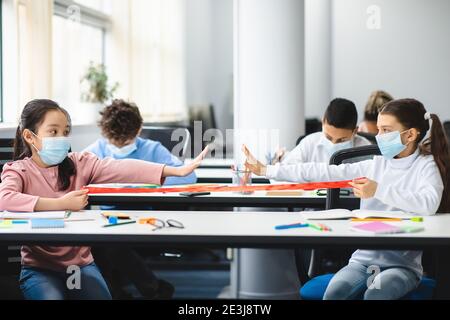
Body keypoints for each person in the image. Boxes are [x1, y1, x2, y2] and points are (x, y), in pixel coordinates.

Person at [242, 98, 449, 300]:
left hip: (402, 266)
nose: (379, 136)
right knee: (334, 294)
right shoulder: (376, 164)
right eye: (378, 129)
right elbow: (324, 171)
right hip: (362, 262)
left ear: (411, 134)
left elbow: (428, 203)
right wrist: (266, 169)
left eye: (386, 130)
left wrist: (377, 190)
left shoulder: (425, 166)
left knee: (376, 294)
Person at [0, 99, 207, 300]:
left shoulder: (79, 163)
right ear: (30, 136)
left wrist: (175, 171)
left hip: (80, 266)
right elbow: (5, 198)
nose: (61, 138)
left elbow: (121, 168)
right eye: (53, 132)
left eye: (65, 132)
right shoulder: (18, 170)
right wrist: (61, 204)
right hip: (39, 269)